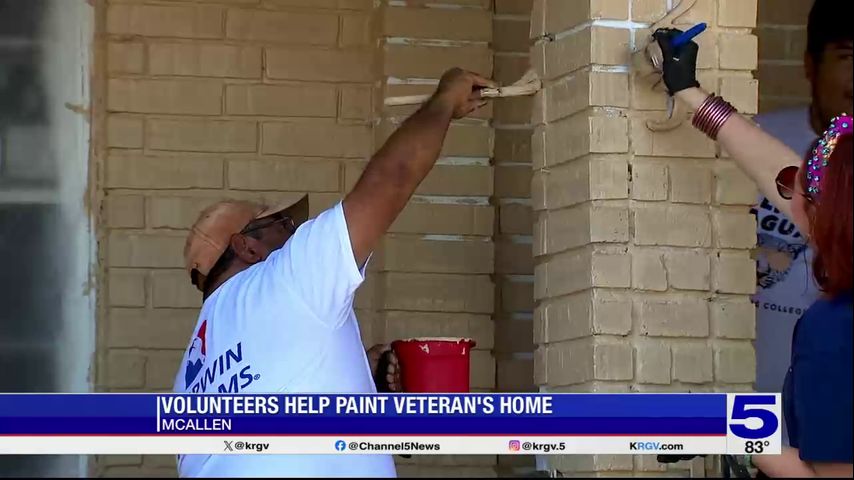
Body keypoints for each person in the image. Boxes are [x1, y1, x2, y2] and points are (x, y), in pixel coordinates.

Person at [173, 68, 494, 478]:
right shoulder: (283, 280)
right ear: (246, 246)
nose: (293, 233)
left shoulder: (189, 377)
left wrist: (355, 380)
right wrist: (445, 101)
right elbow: (390, 179)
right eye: (282, 225)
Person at [654, 27, 852, 478]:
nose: (802, 205)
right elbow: (783, 178)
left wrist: (729, 433)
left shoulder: (838, 329)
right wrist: (690, 94)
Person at [750, 0, 853, 445]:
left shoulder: (832, 324)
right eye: (848, 58)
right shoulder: (762, 140)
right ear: (811, 64)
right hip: (759, 408)